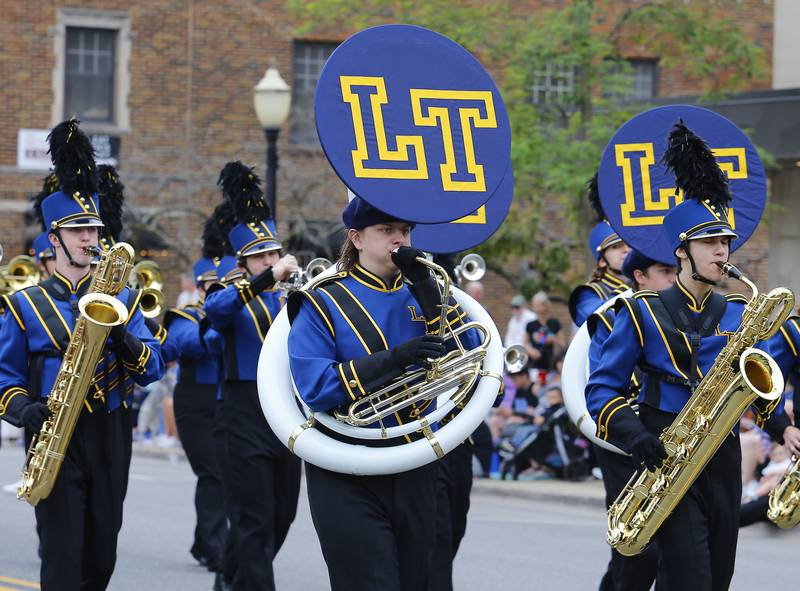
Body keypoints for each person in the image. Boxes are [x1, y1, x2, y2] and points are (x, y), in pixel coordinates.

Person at [585, 122, 789, 590]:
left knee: (717, 579)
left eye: (726, 243)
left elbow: (757, 385)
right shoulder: (640, 312)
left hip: (722, 455)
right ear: (682, 252)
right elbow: (602, 390)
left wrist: (782, 427)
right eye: (710, 244)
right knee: (688, 578)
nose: (722, 252)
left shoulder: (739, 310)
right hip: (664, 450)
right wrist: (634, 435)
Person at [0, 118, 164, 590]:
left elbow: (153, 366)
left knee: (100, 556)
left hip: (110, 429)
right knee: (61, 557)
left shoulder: (125, 297)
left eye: (93, 229)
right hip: (54, 431)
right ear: (54, 240)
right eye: (78, 232)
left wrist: (119, 336)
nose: (90, 239)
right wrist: (23, 409)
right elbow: (3, 375)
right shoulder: (25, 304)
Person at [287, 195, 479, 591]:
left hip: (415, 462)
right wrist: (396, 359)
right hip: (346, 466)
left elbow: (473, 362)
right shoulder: (322, 300)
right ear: (356, 238)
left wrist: (430, 294)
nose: (399, 241)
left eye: (405, 231)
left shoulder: (427, 292)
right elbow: (316, 387)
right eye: (386, 231)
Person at [204, 162, 301, 591]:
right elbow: (218, 314)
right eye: (261, 256)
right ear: (243, 263)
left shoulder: (292, 296)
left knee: (283, 514)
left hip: (285, 410)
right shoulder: (227, 291)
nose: (272, 260)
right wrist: (264, 279)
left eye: (274, 253)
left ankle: (230, 575)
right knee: (254, 519)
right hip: (242, 412)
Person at [586, 248, 676, 591]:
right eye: (666, 271)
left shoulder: (680, 318)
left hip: (670, 442)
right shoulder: (611, 317)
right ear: (640, 276)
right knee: (637, 548)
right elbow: (603, 384)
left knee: (671, 551)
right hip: (625, 441)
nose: (674, 278)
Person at [163, 255, 228, 572]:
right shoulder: (185, 316)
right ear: (200, 288)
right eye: (211, 286)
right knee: (212, 472)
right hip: (196, 405)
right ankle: (214, 547)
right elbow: (187, 343)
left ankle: (205, 541)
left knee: (227, 474)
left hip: (229, 401)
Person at [569, 174, 630, 327]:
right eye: (616, 247)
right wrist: (632, 288)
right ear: (602, 260)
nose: (626, 250)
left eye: (629, 244)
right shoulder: (588, 293)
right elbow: (596, 319)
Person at [525, 291, 561, 382]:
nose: (535, 307)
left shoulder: (554, 323)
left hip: (550, 364)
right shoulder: (530, 325)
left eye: (538, 305)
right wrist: (531, 351)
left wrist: (553, 339)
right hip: (535, 365)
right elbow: (524, 343)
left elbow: (562, 342)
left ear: (545, 305)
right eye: (534, 305)